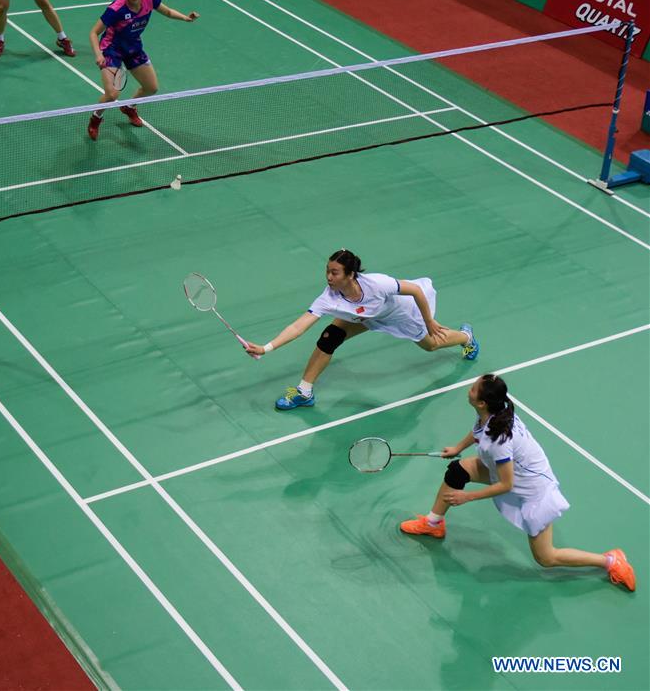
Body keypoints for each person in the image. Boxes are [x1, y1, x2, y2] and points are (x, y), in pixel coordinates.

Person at [399, 373, 636, 592]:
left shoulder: (499, 441)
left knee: (546, 558)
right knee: (457, 471)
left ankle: (610, 560)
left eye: (473, 389)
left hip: (532, 491)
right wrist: (458, 448)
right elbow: (479, 431)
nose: (469, 390)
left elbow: (506, 484)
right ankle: (433, 523)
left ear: (482, 403)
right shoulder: (494, 413)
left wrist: (467, 496)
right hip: (511, 473)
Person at [244, 249, 479, 411]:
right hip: (366, 316)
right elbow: (298, 326)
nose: (328, 277)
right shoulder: (329, 298)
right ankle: (304, 392)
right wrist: (266, 348)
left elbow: (416, 291)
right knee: (330, 336)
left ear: (350, 274)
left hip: (402, 314)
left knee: (432, 345)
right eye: (327, 270)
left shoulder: (377, 284)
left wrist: (428, 321)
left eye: (334, 272)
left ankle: (466, 336)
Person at [87, 0, 199, 140]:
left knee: (151, 87)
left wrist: (186, 18)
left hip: (133, 48)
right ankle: (96, 118)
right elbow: (94, 32)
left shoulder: (149, 0)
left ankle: (129, 107)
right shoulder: (116, 9)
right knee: (112, 94)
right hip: (112, 50)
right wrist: (98, 54)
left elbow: (167, 12)